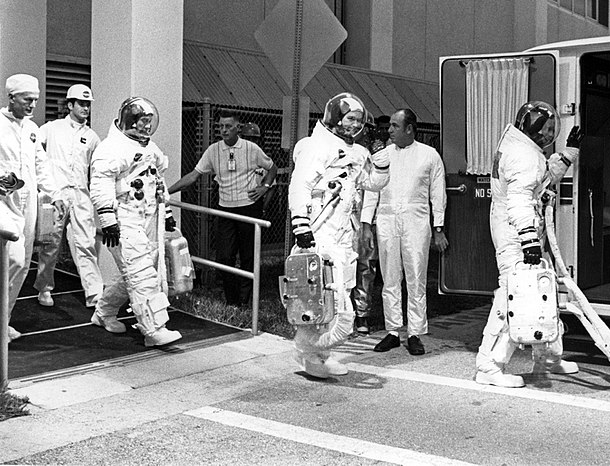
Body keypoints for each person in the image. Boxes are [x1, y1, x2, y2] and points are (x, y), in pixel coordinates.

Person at [475, 100, 583, 387]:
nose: (548, 134)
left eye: (551, 129)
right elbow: (520, 198)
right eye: (545, 129)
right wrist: (528, 239)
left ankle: (548, 356)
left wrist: (568, 155)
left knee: (542, 292)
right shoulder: (523, 155)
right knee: (514, 296)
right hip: (516, 233)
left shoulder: (522, 149)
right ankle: (489, 365)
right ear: (533, 128)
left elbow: (542, 181)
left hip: (518, 230)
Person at [289, 92, 390, 378]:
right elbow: (300, 186)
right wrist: (301, 224)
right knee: (325, 300)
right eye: (350, 119)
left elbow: (373, 183)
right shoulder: (315, 146)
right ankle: (307, 351)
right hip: (320, 234)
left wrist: (381, 163)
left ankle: (318, 355)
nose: (354, 126)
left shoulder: (358, 152)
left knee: (335, 299)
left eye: (358, 120)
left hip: (344, 237)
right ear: (335, 117)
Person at [90, 96, 182, 347]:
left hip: (148, 217)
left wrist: (167, 214)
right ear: (129, 121)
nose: (146, 127)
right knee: (141, 273)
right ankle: (154, 329)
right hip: (123, 218)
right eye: (141, 121)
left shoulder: (150, 148)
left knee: (137, 270)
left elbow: (158, 183)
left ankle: (103, 313)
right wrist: (108, 219)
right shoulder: (111, 149)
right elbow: (100, 184)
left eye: (149, 122)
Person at [168, 111, 277, 306]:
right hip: (225, 209)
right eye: (220, 126)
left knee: (248, 257)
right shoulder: (213, 150)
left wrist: (264, 187)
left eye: (228, 126)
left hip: (248, 208)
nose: (224, 130)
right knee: (224, 257)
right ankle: (232, 300)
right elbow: (193, 176)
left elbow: (272, 167)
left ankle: (245, 302)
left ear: (238, 128)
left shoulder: (251, 148)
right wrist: (167, 192)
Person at [368, 108, 448, 356]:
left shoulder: (429, 156)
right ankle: (392, 331)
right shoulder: (382, 156)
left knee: (416, 277)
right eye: (389, 126)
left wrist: (438, 228)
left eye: (394, 125)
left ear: (409, 128)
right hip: (387, 219)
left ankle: (415, 332)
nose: (389, 130)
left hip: (416, 221)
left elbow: (438, 194)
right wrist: (364, 224)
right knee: (390, 277)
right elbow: (371, 190)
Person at [1, 74, 65, 342]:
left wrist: (55, 194)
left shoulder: (32, 130)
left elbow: (41, 165)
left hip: (28, 202)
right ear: (12, 97)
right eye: (28, 100)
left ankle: (4, 321)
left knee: (24, 263)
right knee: (11, 259)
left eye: (36, 100)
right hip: (3, 200)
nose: (32, 106)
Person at [33, 84, 104, 308]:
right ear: (70, 104)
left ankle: (94, 295)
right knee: (51, 243)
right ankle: (44, 288)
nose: (85, 108)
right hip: (56, 194)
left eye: (88, 104)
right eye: (81, 104)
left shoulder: (92, 137)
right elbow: (33, 149)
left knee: (86, 244)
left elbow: (97, 169)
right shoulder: (51, 128)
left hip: (81, 195)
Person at [351, 115, 391, 334]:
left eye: (385, 129)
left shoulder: (390, 154)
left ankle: (364, 314)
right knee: (354, 266)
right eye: (376, 129)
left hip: (379, 217)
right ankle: (355, 313)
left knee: (369, 267)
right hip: (355, 216)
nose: (379, 133)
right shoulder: (356, 152)